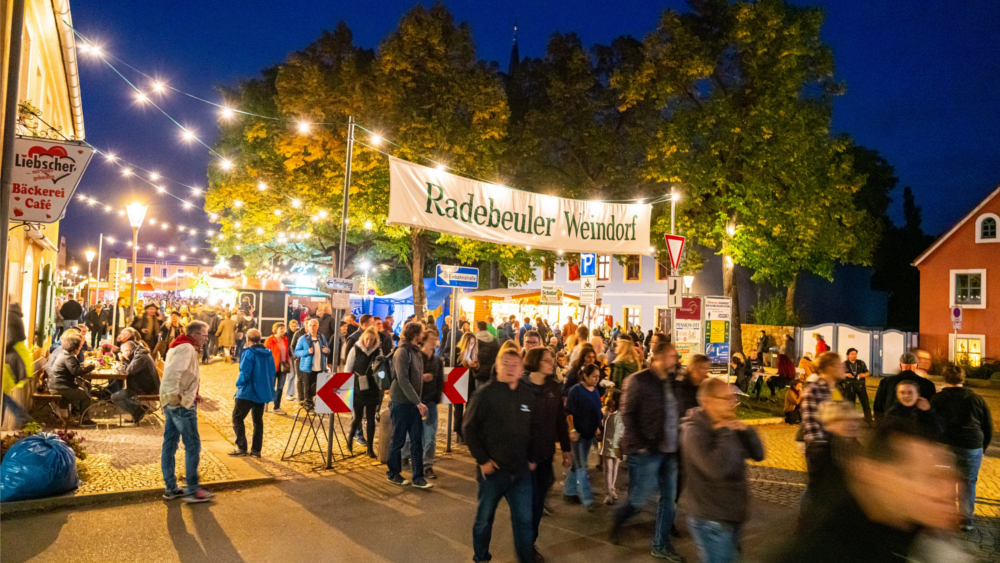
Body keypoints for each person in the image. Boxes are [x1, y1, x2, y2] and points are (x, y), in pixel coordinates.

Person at [768, 422, 965, 563]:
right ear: (873, 475)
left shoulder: (912, 525)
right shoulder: (824, 551)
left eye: (943, 473)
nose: (946, 489)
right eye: (927, 477)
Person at [611, 342, 684, 561]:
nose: (677, 360)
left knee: (669, 500)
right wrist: (640, 444)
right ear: (659, 357)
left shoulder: (672, 382)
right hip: (647, 450)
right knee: (638, 500)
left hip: (669, 450)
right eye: (673, 356)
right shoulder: (639, 380)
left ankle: (660, 544)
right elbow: (627, 414)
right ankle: (619, 518)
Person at [464, 349, 539, 563]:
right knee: (484, 520)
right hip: (493, 472)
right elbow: (469, 428)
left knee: (525, 521)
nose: (511, 368)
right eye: (506, 363)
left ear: (522, 368)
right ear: (497, 366)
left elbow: (535, 428)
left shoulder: (527, 393)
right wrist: (483, 460)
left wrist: (533, 458)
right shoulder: (485, 394)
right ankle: (481, 558)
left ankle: (526, 558)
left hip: (521, 472)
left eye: (515, 364)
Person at [680, 377, 764, 563]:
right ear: (709, 402)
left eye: (732, 397)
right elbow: (717, 469)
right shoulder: (694, 431)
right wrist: (725, 432)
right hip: (711, 519)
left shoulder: (728, 424)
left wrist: (747, 431)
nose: (732, 403)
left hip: (732, 514)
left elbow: (758, 454)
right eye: (726, 399)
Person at [521, 347, 571, 557]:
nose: (552, 363)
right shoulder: (521, 387)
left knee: (538, 503)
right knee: (528, 504)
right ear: (536, 362)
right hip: (524, 458)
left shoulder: (553, 387)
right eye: (548, 360)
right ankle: (526, 547)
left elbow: (560, 419)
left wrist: (566, 449)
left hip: (545, 455)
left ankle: (529, 542)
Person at [931, 363, 993, 532]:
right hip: (971, 445)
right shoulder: (976, 399)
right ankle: (966, 520)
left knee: (948, 481)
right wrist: (983, 447)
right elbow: (987, 426)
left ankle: (948, 517)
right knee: (968, 482)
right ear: (963, 379)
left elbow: (931, 423)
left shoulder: (938, 399)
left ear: (945, 378)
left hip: (947, 445)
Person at [160, 320, 214, 503]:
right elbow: (173, 375)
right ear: (195, 335)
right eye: (204, 335)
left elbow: (185, 375)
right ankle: (192, 490)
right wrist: (177, 399)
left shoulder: (180, 346)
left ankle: (171, 488)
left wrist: (192, 393)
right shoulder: (186, 349)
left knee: (170, 443)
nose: (207, 339)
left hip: (175, 401)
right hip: (181, 405)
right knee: (192, 445)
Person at [799, 351, 847, 518]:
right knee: (816, 488)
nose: (843, 367)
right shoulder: (816, 389)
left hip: (831, 444)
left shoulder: (832, 389)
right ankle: (805, 521)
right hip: (819, 446)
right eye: (840, 364)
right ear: (829, 367)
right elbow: (829, 421)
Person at [386, 322, 432, 489]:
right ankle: (393, 473)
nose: (423, 335)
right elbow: (402, 379)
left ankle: (418, 477)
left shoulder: (416, 352)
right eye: (422, 332)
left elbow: (414, 377)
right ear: (415, 334)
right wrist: (417, 401)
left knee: (416, 440)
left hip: (413, 404)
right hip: (401, 402)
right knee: (398, 440)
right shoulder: (402, 352)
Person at [403, 327, 444, 478]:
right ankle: (405, 456)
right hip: (416, 400)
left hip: (431, 401)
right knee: (413, 432)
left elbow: (440, 381)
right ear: (424, 340)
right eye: (431, 339)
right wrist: (422, 377)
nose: (434, 342)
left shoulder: (437, 360)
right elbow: (408, 377)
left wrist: (436, 398)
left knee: (431, 435)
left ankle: (428, 465)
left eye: (435, 339)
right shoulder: (416, 357)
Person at [229, 329, 275, 458]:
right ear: (260, 339)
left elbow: (245, 372)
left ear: (248, 340)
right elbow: (272, 372)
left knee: (237, 418)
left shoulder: (249, 352)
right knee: (257, 421)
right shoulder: (268, 353)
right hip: (261, 393)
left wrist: (239, 384)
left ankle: (241, 446)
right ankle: (256, 450)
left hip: (247, 392)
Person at [564, 363, 603, 509]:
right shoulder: (576, 390)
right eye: (593, 376)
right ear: (585, 376)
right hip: (578, 434)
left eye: (598, 377)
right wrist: (572, 430)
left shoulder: (595, 391)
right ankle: (587, 500)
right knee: (581, 466)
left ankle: (569, 491)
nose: (596, 379)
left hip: (589, 434)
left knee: (577, 464)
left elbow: (597, 410)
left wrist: (598, 427)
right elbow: (569, 412)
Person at [344, 327, 383, 458]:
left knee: (371, 418)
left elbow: (382, 370)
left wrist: (382, 379)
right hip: (357, 386)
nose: (369, 342)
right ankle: (350, 439)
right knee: (358, 417)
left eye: (371, 340)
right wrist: (347, 387)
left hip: (372, 387)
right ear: (363, 338)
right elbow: (348, 368)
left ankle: (370, 448)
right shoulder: (356, 349)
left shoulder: (378, 351)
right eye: (367, 339)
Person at [47, 333, 96, 425]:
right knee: (86, 396)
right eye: (79, 347)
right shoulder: (68, 357)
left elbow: (74, 369)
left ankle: (64, 417)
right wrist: (91, 367)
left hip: (57, 384)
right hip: (60, 387)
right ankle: (84, 420)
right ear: (74, 348)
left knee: (84, 388)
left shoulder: (65, 354)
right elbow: (76, 371)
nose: (80, 348)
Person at [872, 352, 936, 422]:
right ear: (917, 366)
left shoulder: (885, 382)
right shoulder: (928, 384)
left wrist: (880, 425)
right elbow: (932, 409)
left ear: (900, 366)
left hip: (891, 425)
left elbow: (877, 407)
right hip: (917, 427)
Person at [111, 341, 160, 424]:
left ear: (128, 351)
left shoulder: (140, 356)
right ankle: (137, 412)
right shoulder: (138, 354)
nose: (122, 353)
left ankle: (138, 411)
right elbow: (130, 369)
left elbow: (129, 371)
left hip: (146, 388)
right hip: (143, 385)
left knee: (115, 397)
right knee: (118, 395)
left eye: (123, 352)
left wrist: (123, 360)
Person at [294, 318, 329, 412]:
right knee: (307, 387)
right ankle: (308, 406)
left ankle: (317, 405)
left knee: (318, 387)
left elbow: (327, 349)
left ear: (318, 326)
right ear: (307, 327)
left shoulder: (322, 337)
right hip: (307, 368)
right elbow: (296, 352)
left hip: (319, 367)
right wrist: (306, 352)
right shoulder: (303, 338)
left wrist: (327, 351)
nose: (312, 327)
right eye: (310, 325)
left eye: (314, 325)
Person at [601, 389, 624, 505]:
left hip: (618, 443)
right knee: (609, 468)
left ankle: (611, 489)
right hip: (609, 443)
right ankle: (609, 492)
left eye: (609, 397)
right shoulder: (606, 411)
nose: (607, 399)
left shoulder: (621, 412)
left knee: (614, 466)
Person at [264, 323, 291, 413]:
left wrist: (288, 363)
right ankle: (265, 403)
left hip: (283, 366)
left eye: (284, 329)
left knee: (280, 387)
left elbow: (287, 352)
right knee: (270, 386)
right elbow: (265, 354)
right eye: (281, 329)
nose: (283, 330)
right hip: (272, 366)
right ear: (276, 329)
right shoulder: (270, 340)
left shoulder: (285, 339)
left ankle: (276, 407)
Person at [841, 348, 873, 424]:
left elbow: (868, 373)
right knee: (851, 404)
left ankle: (869, 420)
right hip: (850, 386)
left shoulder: (861, 363)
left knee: (865, 403)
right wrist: (846, 374)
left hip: (861, 386)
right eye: (852, 354)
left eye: (855, 354)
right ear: (848, 355)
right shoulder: (844, 364)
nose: (854, 355)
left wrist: (863, 375)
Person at [474, 321, 500, 386]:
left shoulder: (475, 341)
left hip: (479, 371)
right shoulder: (494, 340)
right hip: (491, 371)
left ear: (478, 329)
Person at [285, 319, 302, 401]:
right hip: (288, 356)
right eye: (292, 326)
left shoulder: (299, 333)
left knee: (296, 375)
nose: (293, 328)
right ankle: (289, 393)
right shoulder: (286, 334)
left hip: (296, 355)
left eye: (295, 326)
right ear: (289, 325)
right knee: (291, 374)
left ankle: (293, 393)